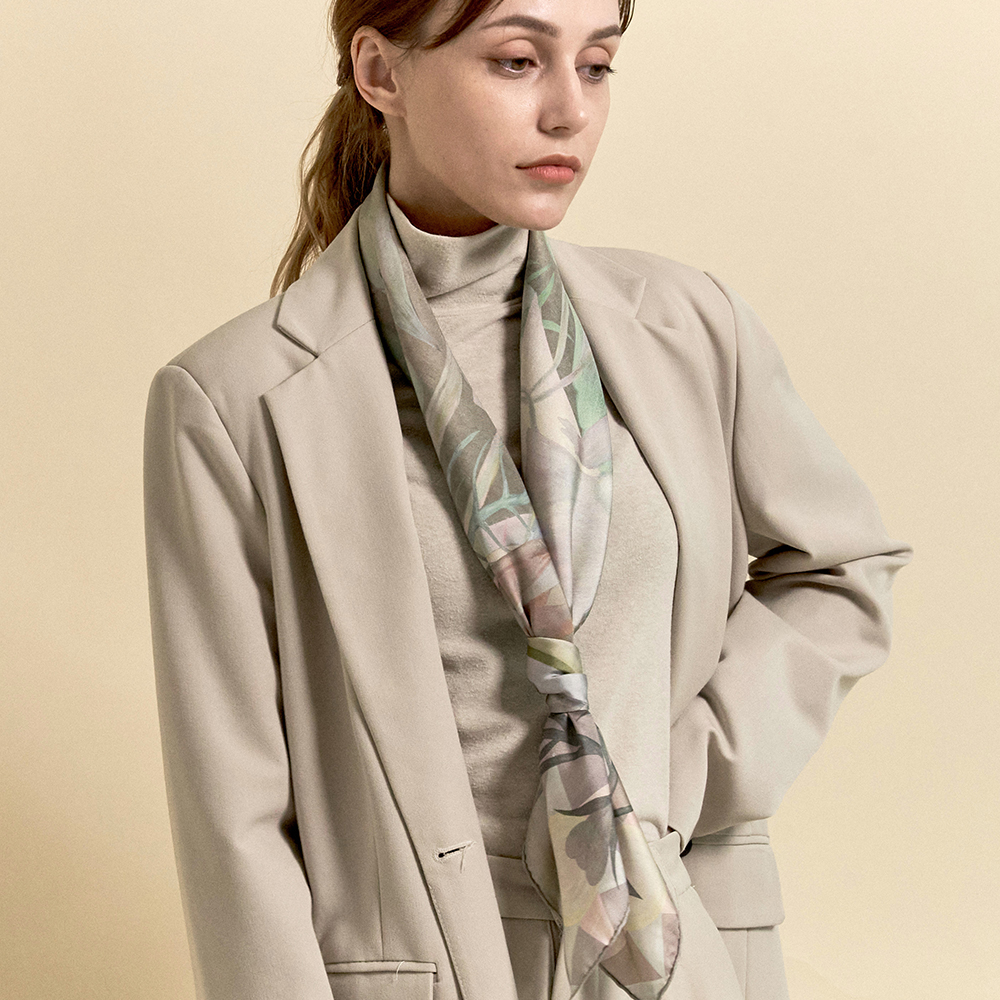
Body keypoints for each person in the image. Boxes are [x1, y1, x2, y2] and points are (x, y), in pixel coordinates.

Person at [143, 1, 911, 998]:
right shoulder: (233, 399)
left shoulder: (689, 326)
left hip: (676, 946)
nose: (567, 111)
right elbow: (234, 817)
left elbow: (842, 568)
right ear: (380, 72)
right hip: (428, 963)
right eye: (516, 60)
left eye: (596, 66)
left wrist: (677, 772)